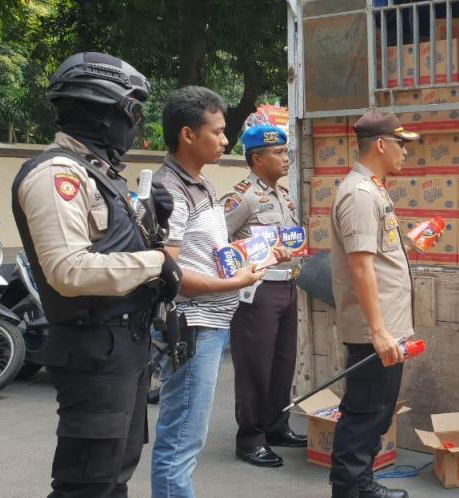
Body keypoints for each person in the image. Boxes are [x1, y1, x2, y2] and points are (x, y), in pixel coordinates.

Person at [11, 51, 180, 498]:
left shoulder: (99, 175)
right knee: (86, 484)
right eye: (133, 112)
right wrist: (157, 263)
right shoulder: (56, 175)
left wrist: (152, 224)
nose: (137, 125)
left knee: (113, 476)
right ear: (102, 113)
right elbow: (69, 271)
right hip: (93, 349)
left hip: (122, 347)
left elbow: (113, 249)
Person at [150, 86, 267, 497]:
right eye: (216, 132)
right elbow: (169, 270)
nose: (225, 140)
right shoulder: (171, 191)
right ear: (187, 135)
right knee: (181, 440)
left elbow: (206, 253)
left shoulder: (202, 185)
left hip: (212, 324)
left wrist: (243, 255)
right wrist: (233, 282)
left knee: (187, 439)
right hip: (192, 326)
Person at [329, 110, 419, 498]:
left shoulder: (375, 189)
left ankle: (360, 484)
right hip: (375, 331)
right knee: (365, 413)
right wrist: (379, 331)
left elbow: (375, 255)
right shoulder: (360, 194)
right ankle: (351, 489)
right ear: (381, 144)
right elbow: (361, 267)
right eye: (402, 145)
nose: (406, 153)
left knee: (378, 412)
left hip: (387, 326)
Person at [221, 124, 303, 467]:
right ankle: (250, 438)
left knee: (283, 363)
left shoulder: (282, 195)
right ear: (257, 158)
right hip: (257, 291)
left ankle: (276, 426)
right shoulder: (243, 197)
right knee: (255, 366)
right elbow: (219, 245)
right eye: (278, 153)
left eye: (286, 152)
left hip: (287, 285)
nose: (286, 159)